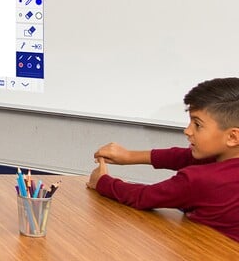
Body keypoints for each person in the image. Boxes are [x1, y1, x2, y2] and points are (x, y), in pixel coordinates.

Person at [89, 77, 239, 243]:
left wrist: (102, 181)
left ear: (232, 137)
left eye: (197, 124)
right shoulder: (223, 160)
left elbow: (143, 197)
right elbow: (183, 156)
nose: (187, 130)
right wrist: (129, 156)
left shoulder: (200, 180)